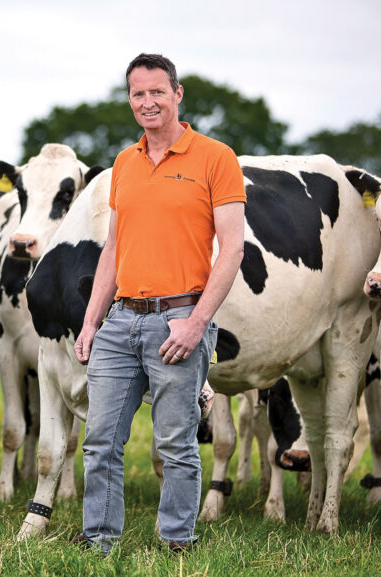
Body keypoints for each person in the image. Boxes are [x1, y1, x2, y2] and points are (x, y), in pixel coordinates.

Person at [72, 53, 246, 555]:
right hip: (121, 318)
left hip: (178, 319)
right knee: (101, 440)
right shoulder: (124, 163)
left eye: (156, 92)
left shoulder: (216, 158)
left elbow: (232, 248)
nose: (147, 102)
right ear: (129, 99)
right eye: (137, 94)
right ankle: (99, 541)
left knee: (175, 443)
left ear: (177, 94)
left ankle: (177, 541)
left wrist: (195, 323)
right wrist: (91, 322)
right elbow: (113, 250)